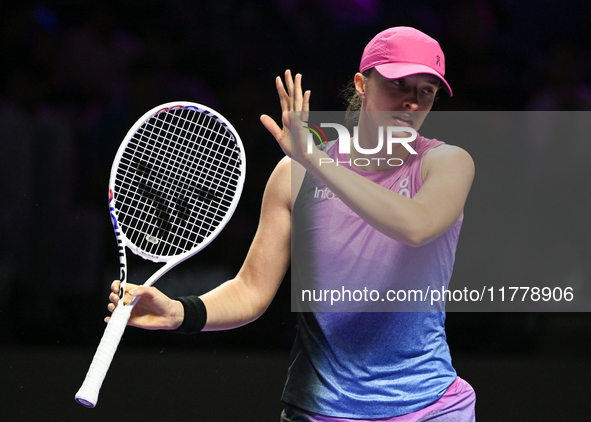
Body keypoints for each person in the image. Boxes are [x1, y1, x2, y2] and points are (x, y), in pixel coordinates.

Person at [107, 27, 476, 421]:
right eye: (397, 84)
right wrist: (180, 313)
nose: (410, 103)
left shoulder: (447, 163)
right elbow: (251, 290)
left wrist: (314, 159)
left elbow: (415, 226)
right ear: (362, 85)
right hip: (319, 410)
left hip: (429, 408)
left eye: (426, 91)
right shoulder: (293, 176)